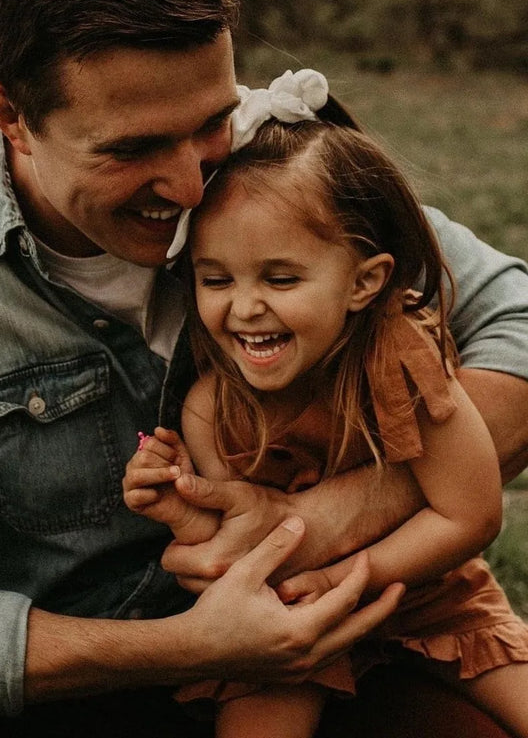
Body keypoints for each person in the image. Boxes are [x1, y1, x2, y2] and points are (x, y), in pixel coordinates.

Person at [0, 0, 526, 738]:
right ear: (12, 113)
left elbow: (513, 318)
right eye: (134, 148)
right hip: (60, 684)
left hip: (322, 645)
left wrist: (322, 517)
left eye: (209, 122)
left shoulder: (273, 170)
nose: (192, 183)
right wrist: (188, 644)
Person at [123, 68, 528, 737]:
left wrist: (357, 570)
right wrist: (175, 504)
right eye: (215, 278)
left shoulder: (403, 364)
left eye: (281, 278)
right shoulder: (208, 407)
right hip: (292, 617)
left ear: (364, 282)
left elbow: (472, 510)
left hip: (426, 593)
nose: (246, 306)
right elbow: (236, 552)